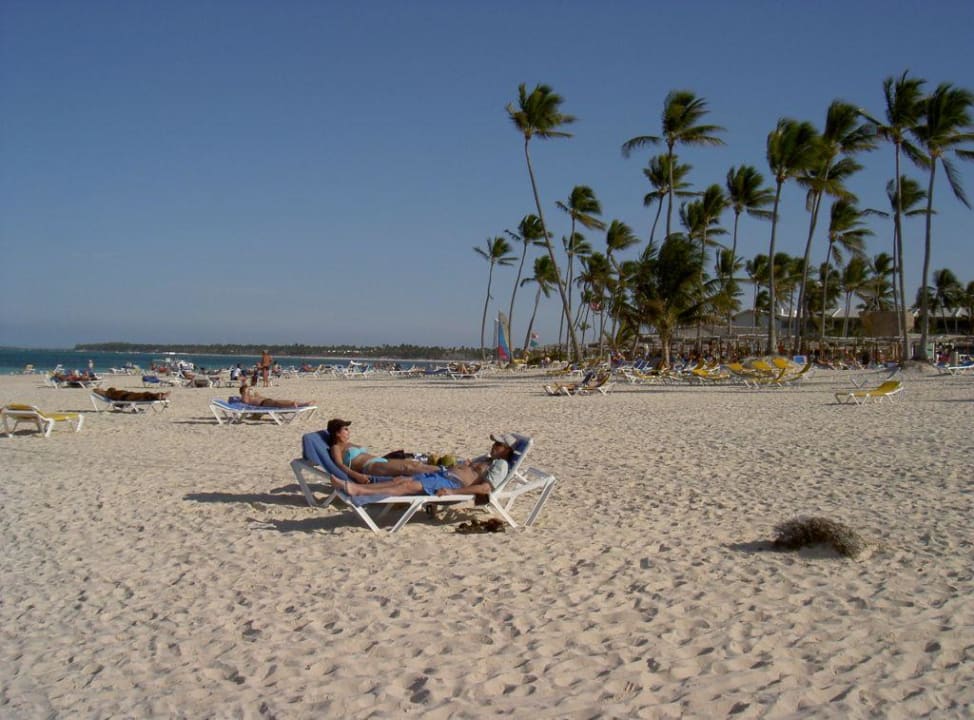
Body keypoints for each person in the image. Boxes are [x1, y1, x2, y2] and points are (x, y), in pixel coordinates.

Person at [331, 433, 516, 498]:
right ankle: (355, 487)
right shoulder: (489, 459)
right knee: (400, 479)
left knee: (405, 486)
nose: (494, 446)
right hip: (445, 474)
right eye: (494, 443)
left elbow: (485, 489)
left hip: (452, 484)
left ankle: (358, 491)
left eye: (498, 445)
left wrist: (453, 493)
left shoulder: (501, 465)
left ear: (507, 450)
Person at [326, 418, 441, 483]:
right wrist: (356, 475)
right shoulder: (336, 447)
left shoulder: (349, 444)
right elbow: (340, 465)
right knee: (408, 468)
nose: (348, 432)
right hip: (370, 467)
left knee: (415, 464)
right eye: (345, 429)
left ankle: (445, 471)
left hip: (380, 461)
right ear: (337, 433)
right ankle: (446, 474)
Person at [239, 378, 311, 408]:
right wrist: (245, 388)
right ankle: (293, 404)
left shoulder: (250, 396)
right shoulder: (245, 399)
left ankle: (303, 404)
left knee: (277, 401)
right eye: (247, 390)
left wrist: (256, 394)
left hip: (266, 401)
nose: (249, 390)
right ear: (243, 392)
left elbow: (255, 393)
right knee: (277, 403)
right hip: (263, 403)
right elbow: (244, 396)